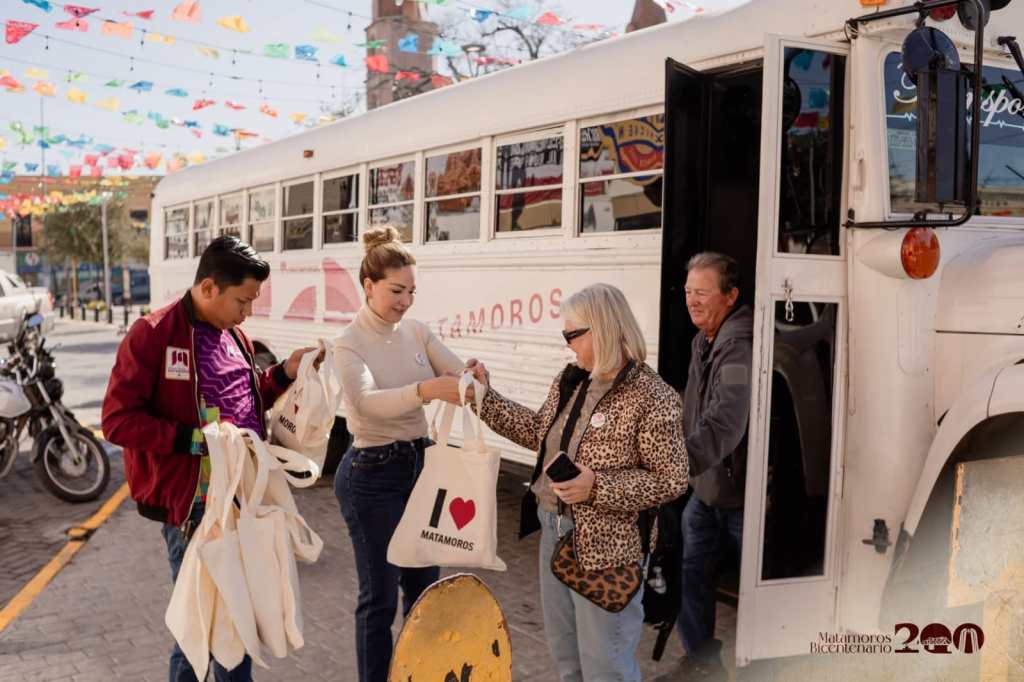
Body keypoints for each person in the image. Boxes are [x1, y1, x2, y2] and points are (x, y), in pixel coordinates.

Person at [102, 235, 318, 682]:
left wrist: (284, 374)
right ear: (208, 288)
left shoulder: (233, 334)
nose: (248, 311)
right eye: (243, 299)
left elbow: (248, 396)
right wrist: (195, 441)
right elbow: (118, 421)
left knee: (204, 628)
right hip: (194, 507)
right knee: (227, 631)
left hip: (242, 499)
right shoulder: (153, 334)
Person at [469, 283, 688, 682]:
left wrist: (597, 487)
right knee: (567, 659)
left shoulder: (653, 395)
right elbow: (539, 430)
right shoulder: (572, 380)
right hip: (555, 529)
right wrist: (483, 398)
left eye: (572, 335)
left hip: (608, 550)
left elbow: (672, 479)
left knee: (607, 667)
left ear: (602, 329)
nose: (567, 346)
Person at [332, 226, 472, 682]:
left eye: (412, 291)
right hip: (372, 476)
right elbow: (366, 402)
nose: (406, 301)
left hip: (419, 466)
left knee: (424, 590)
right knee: (380, 600)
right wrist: (425, 389)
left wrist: (471, 372)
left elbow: (456, 370)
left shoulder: (416, 331)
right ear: (368, 285)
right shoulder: (348, 343)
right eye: (396, 290)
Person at [674, 252, 753, 679]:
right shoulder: (703, 338)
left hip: (738, 491)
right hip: (708, 486)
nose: (692, 300)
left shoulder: (738, 346)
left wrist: (675, 463)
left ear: (730, 295)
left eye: (702, 292)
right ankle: (702, 661)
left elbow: (726, 420)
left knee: (756, 588)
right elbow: (693, 411)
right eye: (689, 291)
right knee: (691, 571)